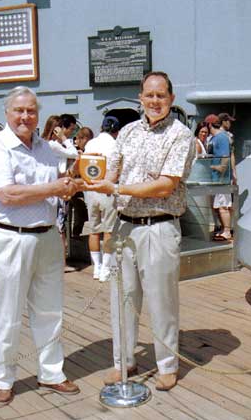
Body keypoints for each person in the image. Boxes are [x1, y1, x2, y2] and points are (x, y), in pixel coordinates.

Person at [86, 71, 195, 391]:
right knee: (123, 299)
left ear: (171, 99)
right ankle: (123, 361)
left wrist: (117, 188)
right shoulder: (128, 132)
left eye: (161, 95)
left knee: (162, 301)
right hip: (124, 227)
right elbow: (112, 169)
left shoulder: (180, 135)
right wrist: (88, 175)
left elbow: (165, 185)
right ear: (140, 97)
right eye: (149, 95)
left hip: (159, 226)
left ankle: (167, 365)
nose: (155, 101)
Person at [0, 86, 81, 406]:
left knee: (49, 309)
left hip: (47, 235)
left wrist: (71, 185)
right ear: (7, 113)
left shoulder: (48, 148)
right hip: (10, 237)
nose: (25, 116)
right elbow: (7, 195)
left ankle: (51, 372)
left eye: (31, 111)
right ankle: (4, 378)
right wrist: (54, 187)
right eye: (19, 110)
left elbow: (65, 175)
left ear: (38, 114)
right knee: (8, 312)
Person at [81, 115, 121, 282]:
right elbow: (118, 169)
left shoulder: (91, 143)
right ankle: (106, 267)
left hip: (90, 190)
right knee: (109, 230)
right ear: (116, 131)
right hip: (108, 190)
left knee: (94, 229)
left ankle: (96, 267)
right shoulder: (116, 145)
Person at [41, 115, 79, 270]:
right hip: (59, 185)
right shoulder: (53, 145)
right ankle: (61, 263)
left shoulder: (44, 144)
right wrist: (64, 138)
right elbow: (75, 154)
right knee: (60, 226)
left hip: (53, 186)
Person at [209, 112, 236, 242]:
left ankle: (227, 231)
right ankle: (223, 229)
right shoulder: (215, 138)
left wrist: (220, 168)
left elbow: (226, 156)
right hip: (216, 178)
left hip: (221, 178)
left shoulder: (222, 138)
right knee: (218, 205)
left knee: (223, 205)